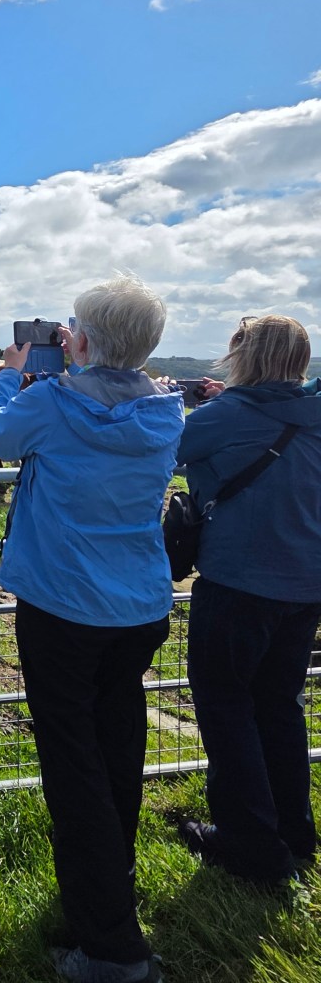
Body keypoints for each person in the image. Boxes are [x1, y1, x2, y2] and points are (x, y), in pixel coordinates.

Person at [0, 274, 183, 983]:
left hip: (63, 609)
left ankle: (113, 950)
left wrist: (10, 372)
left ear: (81, 341)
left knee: (75, 768)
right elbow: (114, 385)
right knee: (118, 743)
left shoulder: (54, 407)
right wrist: (79, 360)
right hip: (139, 610)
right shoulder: (167, 412)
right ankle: (106, 896)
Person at [175, 315, 321, 885]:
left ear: (244, 354)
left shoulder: (227, 415)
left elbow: (173, 447)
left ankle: (249, 843)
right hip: (307, 587)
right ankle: (295, 831)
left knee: (226, 705)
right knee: (279, 704)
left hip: (240, 582)